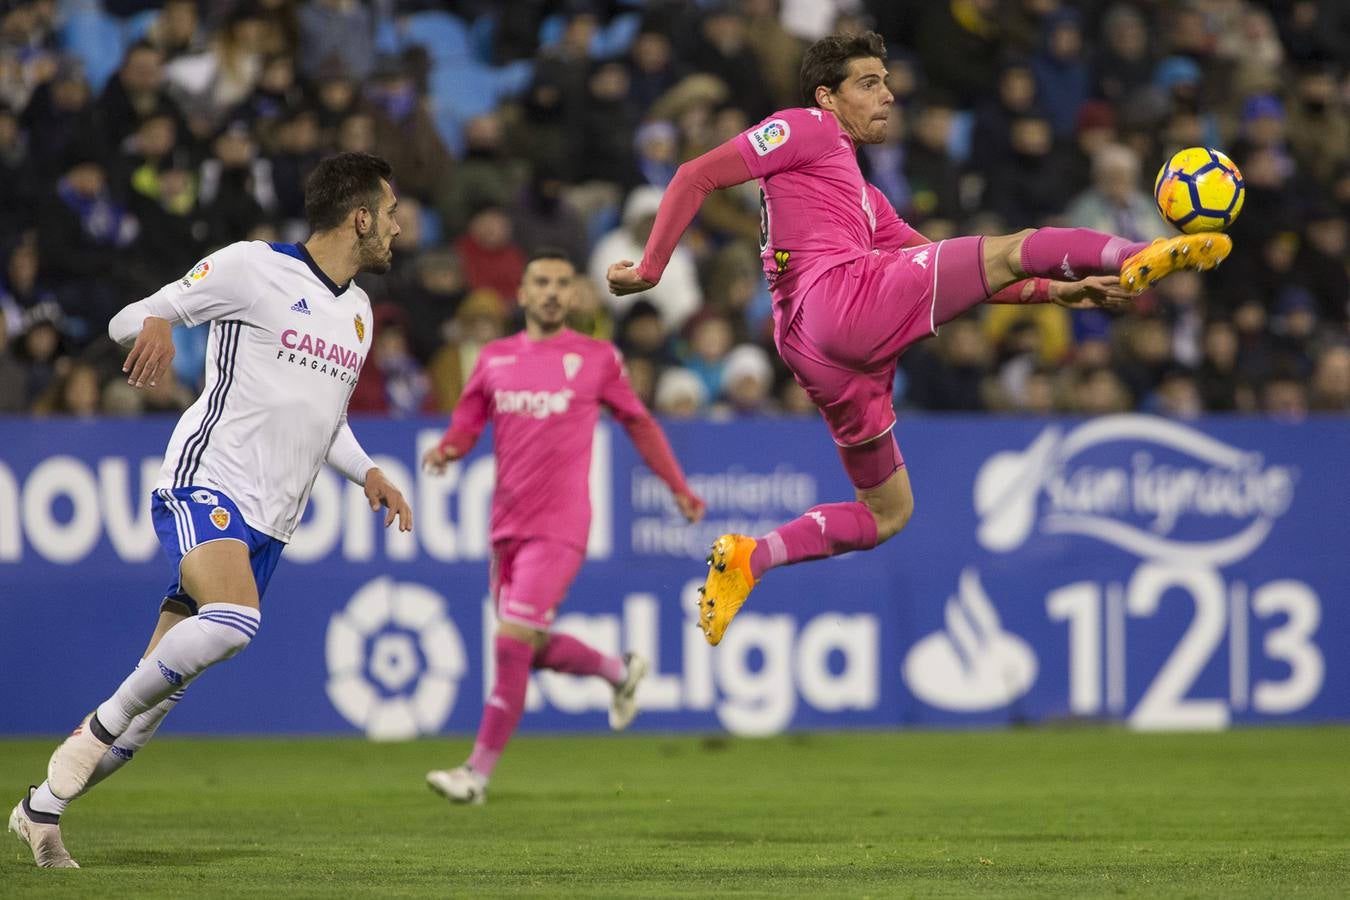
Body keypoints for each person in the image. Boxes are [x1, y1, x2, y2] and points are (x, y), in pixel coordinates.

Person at [606, 31, 1232, 646]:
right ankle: (1142, 251)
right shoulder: (805, 126)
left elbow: (943, 265)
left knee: (887, 512)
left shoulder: (863, 197)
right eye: (870, 83)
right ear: (827, 96)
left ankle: (751, 558)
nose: (888, 97)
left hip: (814, 353)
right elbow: (694, 173)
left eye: (888, 84)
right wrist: (651, 268)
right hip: (840, 301)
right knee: (1014, 245)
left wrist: (1057, 292)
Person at [8, 152, 414, 868]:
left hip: (271, 523)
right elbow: (126, 319)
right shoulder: (252, 267)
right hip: (208, 482)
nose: (398, 226)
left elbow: (325, 416)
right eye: (389, 213)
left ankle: (41, 808)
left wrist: (368, 470)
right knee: (237, 620)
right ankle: (91, 732)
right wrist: (158, 323)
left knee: (153, 708)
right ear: (359, 217)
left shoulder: (357, 312)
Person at [421, 250, 705, 806]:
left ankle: (475, 773)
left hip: (561, 526)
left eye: (561, 283)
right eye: (541, 283)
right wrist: (450, 448)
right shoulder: (495, 359)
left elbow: (639, 423)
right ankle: (617, 671)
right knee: (530, 646)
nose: (551, 292)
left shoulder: (597, 358)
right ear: (522, 295)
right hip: (506, 528)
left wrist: (678, 486)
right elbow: (469, 418)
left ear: (574, 297)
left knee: (510, 643)